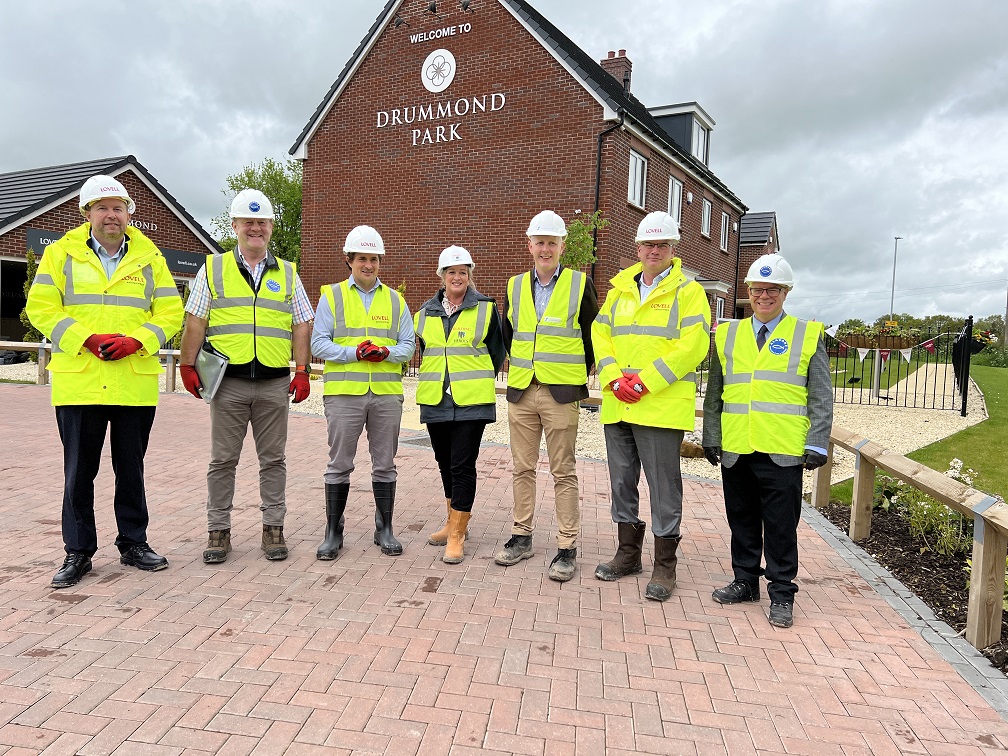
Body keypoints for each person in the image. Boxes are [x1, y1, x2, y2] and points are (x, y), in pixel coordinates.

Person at [26, 175, 183, 588]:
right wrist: (86, 339)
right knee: (79, 472)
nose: (111, 214)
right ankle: (77, 552)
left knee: (131, 469)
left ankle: (133, 543)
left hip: (133, 382)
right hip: (80, 381)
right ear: (87, 213)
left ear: (129, 212)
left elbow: (170, 312)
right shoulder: (60, 254)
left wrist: (137, 341)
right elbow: (40, 307)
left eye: (118, 207)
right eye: (102, 207)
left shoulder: (151, 258)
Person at [179, 189, 313, 564]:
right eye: (248, 222)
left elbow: (302, 323)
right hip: (229, 383)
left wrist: (301, 371)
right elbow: (196, 319)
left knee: (273, 460)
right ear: (235, 226)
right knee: (223, 460)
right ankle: (218, 531)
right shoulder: (214, 268)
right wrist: (187, 365)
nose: (256, 228)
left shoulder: (287, 272)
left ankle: (274, 529)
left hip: (272, 383)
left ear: (270, 227)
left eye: (263, 222)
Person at [702, 252, 833, 628]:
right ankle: (745, 581)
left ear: (785, 292)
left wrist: (817, 443)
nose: (764, 295)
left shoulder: (808, 334)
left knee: (779, 524)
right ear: (748, 292)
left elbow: (821, 395)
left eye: (772, 289)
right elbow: (715, 393)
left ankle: (781, 593)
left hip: (783, 449)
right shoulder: (727, 334)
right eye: (758, 289)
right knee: (741, 518)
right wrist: (713, 436)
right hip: (737, 447)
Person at [591, 212, 710, 601]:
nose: (654, 251)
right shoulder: (618, 288)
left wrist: (644, 382)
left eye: (661, 245)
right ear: (638, 248)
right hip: (619, 403)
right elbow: (600, 333)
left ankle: (664, 565)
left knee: (663, 488)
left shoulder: (688, 291)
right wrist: (612, 378)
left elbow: (692, 346)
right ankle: (628, 555)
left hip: (657, 405)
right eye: (648, 244)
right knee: (622, 483)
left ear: (672, 248)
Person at [496, 210, 599, 582]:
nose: (545, 249)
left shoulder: (578, 284)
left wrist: (575, 374)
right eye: (539, 242)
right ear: (529, 245)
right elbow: (510, 333)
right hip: (523, 389)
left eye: (551, 243)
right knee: (521, 467)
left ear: (562, 247)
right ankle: (521, 537)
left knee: (563, 471)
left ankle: (566, 546)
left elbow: (592, 335)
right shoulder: (514, 285)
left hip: (560, 392)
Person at [311, 225, 415, 559]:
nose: (368, 265)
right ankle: (333, 530)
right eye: (361, 259)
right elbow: (318, 344)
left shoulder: (395, 299)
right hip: (344, 394)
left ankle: (384, 528)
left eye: (373, 259)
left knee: (385, 464)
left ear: (379, 261)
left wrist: (386, 353)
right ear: (349, 260)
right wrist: (354, 352)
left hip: (385, 394)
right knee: (339, 464)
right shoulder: (332, 296)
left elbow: (409, 346)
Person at [415, 246, 506, 564]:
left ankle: (456, 535)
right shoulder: (424, 312)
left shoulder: (485, 308)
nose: (457, 277)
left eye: (463, 272)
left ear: (470, 275)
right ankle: (455, 522)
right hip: (436, 398)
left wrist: (473, 379)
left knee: (462, 465)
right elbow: (425, 351)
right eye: (451, 272)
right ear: (441, 276)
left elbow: (497, 352)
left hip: (471, 401)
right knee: (443, 461)